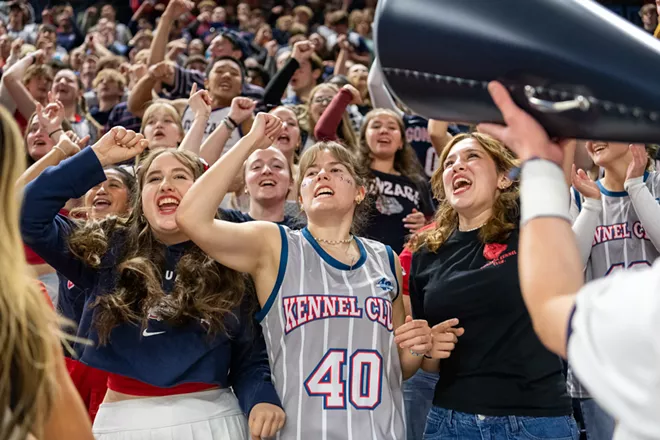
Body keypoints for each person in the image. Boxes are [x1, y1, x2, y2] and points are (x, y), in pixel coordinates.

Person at [177, 113, 445, 439]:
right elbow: (191, 217)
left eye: (336, 170)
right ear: (300, 198)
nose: (322, 176)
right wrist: (249, 141)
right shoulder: (274, 245)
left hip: (379, 431)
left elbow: (396, 368)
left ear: (360, 192)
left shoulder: (385, 258)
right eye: (311, 173)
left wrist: (416, 348)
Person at [21, 127, 284, 439]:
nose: (166, 185)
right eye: (154, 178)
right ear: (139, 199)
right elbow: (27, 214)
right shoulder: (106, 246)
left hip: (214, 418)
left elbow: (250, 357)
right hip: (122, 423)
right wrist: (96, 158)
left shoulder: (235, 255)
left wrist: (260, 398)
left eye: (180, 176)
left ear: (205, 192)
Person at [478, 80, 660, 440]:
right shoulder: (582, 196)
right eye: (586, 133)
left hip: (618, 334)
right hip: (601, 356)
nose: (591, 140)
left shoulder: (656, 183)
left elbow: (551, 297)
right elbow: (571, 267)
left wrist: (636, 186)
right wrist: (591, 206)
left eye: (601, 128)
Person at [408, 131, 577, 439]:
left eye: (472, 156)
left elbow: (557, 171)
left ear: (502, 177)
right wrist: (429, 347)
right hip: (451, 422)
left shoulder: (529, 222)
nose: (458, 166)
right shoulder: (425, 253)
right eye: (449, 163)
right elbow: (429, 364)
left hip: (534, 421)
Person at [0, 105, 93, 440]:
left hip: (49, 283)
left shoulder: (22, 307)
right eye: (31, 128)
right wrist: (58, 149)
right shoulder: (24, 306)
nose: (36, 132)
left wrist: (62, 147)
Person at [356, 108, 434, 253]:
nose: (384, 130)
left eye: (392, 127)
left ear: (401, 142)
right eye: (376, 126)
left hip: (403, 265)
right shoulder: (353, 177)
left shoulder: (417, 182)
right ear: (364, 138)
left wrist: (424, 225)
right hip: (358, 262)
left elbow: (432, 224)